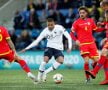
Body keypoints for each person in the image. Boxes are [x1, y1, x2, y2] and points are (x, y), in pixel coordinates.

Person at [20, 18, 72, 83]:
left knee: (60, 61)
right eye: (48, 25)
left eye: (51, 25)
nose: (50, 26)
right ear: (47, 25)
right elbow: (37, 41)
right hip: (49, 47)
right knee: (44, 61)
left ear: (54, 24)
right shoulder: (45, 31)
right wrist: (26, 48)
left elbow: (69, 37)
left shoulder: (60, 28)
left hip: (59, 48)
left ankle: (45, 72)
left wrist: (70, 47)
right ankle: (38, 79)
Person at [70, 6, 99, 83]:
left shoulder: (91, 20)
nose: (81, 14)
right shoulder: (76, 22)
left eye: (83, 13)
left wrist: (102, 26)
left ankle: (93, 66)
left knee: (97, 61)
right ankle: (88, 78)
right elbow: (71, 33)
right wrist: (76, 40)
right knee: (86, 61)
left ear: (86, 13)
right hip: (83, 44)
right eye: (80, 13)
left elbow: (96, 29)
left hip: (92, 44)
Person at [86, 0, 108, 85]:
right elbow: (104, 27)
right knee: (105, 59)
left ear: (106, 5)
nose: (101, 8)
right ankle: (107, 78)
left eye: (102, 6)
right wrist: (101, 25)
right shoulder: (106, 18)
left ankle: (95, 71)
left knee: (103, 52)